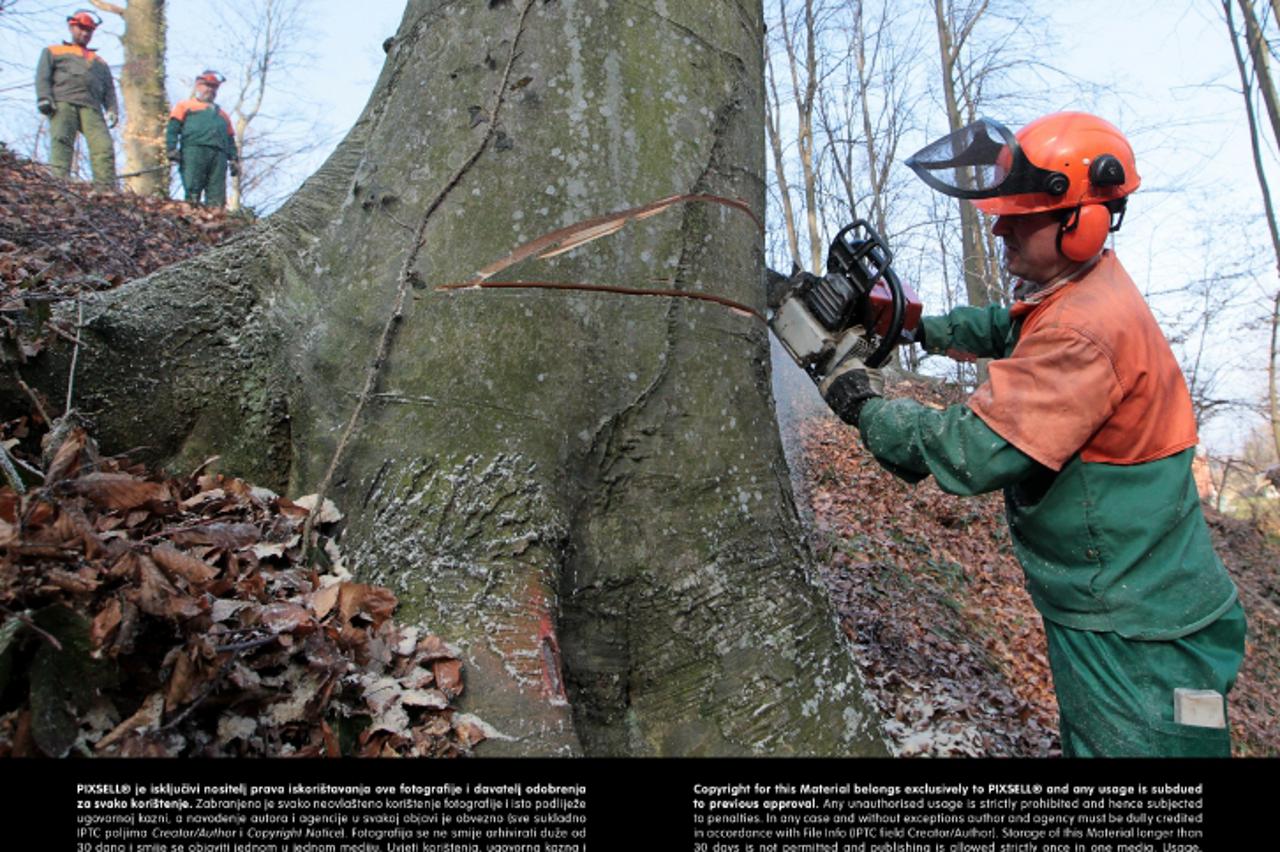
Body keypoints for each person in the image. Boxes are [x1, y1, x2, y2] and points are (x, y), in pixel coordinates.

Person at [819, 112, 1246, 757]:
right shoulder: (1079, 292)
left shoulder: (1084, 332)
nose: (999, 227)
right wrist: (913, 324)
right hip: (1128, 604)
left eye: (1020, 215)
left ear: (1084, 223)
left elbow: (968, 451)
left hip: (1137, 634)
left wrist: (862, 403)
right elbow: (1008, 327)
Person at [34, 9, 118, 185]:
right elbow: (43, 76)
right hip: (63, 103)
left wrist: (112, 109)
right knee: (62, 141)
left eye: (89, 30)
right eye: (81, 28)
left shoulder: (99, 61)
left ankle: (106, 188)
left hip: (91, 107)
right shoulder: (53, 51)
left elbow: (109, 89)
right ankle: (60, 183)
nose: (85, 33)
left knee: (103, 146)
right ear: (71, 28)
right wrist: (44, 97)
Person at [166, 70, 239, 208]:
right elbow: (173, 128)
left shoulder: (223, 115)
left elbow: (230, 139)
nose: (210, 90)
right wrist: (171, 148)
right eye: (207, 85)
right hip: (193, 151)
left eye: (214, 87)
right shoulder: (185, 106)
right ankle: (190, 219)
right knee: (193, 187)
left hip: (219, 155)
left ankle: (215, 223)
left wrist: (234, 159)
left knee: (217, 194)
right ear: (198, 86)